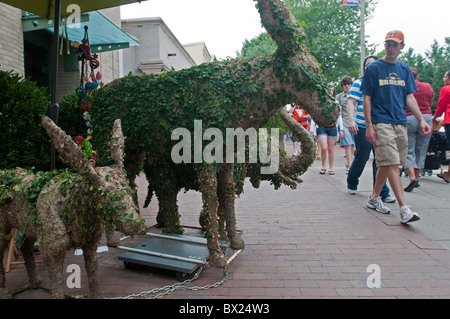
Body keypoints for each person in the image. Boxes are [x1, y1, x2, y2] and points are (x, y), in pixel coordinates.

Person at [361, 30, 431, 224]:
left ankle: (374, 197)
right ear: (384, 45)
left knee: (389, 162)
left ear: (402, 47)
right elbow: (366, 97)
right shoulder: (374, 68)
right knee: (391, 163)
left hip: (400, 121)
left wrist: (422, 120)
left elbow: (409, 97)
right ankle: (404, 208)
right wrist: (369, 126)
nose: (391, 48)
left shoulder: (404, 70)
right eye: (388, 44)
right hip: (381, 121)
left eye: (395, 44)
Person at [346, 55, 396, 203]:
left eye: (373, 64)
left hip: (381, 125)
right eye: (367, 65)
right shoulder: (359, 83)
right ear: (364, 68)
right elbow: (351, 103)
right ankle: (352, 180)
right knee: (362, 156)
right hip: (362, 126)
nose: (370, 67)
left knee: (381, 159)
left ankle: (381, 191)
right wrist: (351, 121)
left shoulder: (383, 84)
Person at [403, 68, 434, 191]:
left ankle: (411, 177)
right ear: (418, 76)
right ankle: (417, 176)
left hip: (409, 117)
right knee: (421, 149)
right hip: (425, 117)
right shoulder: (427, 86)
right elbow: (431, 102)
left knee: (409, 149)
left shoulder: (405, 87)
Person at [317, 84, 343, 175]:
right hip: (321, 127)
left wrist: (341, 129)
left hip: (332, 127)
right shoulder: (320, 102)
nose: (330, 92)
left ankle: (331, 168)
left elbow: (339, 117)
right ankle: (323, 166)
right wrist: (312, 129)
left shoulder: (336, 104)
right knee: (323, 147)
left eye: (332, 90)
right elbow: (315, 115)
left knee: (331, 148)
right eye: (329, 90)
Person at [433, 70, 450, 183]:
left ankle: (449, 174)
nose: (444, 79)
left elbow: (441, 106)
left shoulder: (446, 89)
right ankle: (448, 173)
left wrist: (435, 117)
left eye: (445, 77)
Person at [336, 75, 355, 172]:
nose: (346, 86)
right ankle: (350, 166)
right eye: (344, 84)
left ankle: (349, 161)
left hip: (355, 123)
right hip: (345, 123)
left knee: (353, 146)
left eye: (348, 84)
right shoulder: (339, 97)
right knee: (348, 144)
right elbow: (337, 112)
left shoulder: (355, 94)